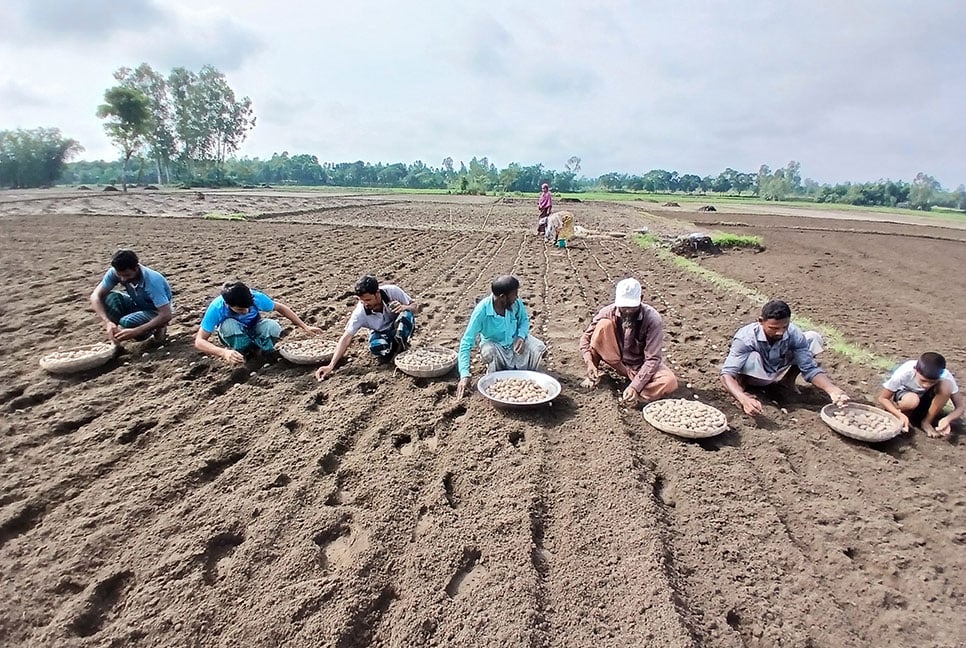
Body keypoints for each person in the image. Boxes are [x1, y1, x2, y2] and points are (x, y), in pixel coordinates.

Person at [721, 299, 849, 415]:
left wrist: (832, 389)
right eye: (774, 328)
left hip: (777, 366)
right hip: (756, 373)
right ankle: (741, 385)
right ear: (761, 321)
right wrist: (743, 399)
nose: (780, 332)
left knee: (813, 338)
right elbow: (727, 374)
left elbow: (809, 368)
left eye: (785, 326)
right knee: (751, 356)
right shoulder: (746, 337)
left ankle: (787, 381)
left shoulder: (794, 333)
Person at [580, 278, 678, 404]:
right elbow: (585, 338)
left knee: (669, 382)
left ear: (641, 299)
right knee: (603, 325)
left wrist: (635, 386)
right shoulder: (608, 312)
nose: (627, 311)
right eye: (623, 306)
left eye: (631, 307)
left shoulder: (652, 319)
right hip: (616, 360)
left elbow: (653, 359)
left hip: (640, 365)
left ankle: (638, 391)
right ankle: (593, 376)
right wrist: (590, 363)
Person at [456, 275, 546, 398]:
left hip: (515, 342)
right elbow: (466, 342)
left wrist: (520, 336)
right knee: (489, 351)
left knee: (539, 348)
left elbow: (524, 320)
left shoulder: (515, 304)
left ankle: (524, 376)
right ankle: (498, 376)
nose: (517, 297)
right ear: (502, 297)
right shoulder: (481, 312)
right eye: (514, 294)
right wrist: (464, 375)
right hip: (495, 345)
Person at [315, 275, 420, 380]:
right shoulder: (360, 313)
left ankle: (402, 348)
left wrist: (404, 307)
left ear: (377, 293)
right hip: (381, 333)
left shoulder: (392, 291)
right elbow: (346, 337)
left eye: (368, 299)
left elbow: (415, 307)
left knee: (406, 316)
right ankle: (392, 350)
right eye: (362, 300)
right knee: (377, 347)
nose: (365, 304)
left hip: (397, 327)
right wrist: (331, 365)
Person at [194, 281, 321, 364]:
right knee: (228, 325)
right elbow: (199, 341)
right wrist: (223, 352)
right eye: (240, 309)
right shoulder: (217, 308)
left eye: (248, 307)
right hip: (234, 333)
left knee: (272, 326)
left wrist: (305, 327)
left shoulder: (256, 297)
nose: (246, 311)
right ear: (228, 304)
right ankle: (244, 352)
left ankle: (264, 350)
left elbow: (280, 308)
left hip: (254, 327)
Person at [90, 248, 173, 343]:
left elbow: (166, 314)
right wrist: (107, 322)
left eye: (127, 275)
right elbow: (95, 296)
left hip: (156, 311)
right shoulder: (114, 272)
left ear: (136, 268)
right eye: (120, 275)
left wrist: (136, 331)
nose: (123, 279)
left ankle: (159, 327)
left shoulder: (152, 281)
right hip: (136, 304)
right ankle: (116, 338)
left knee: (127, 322)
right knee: (109, 298)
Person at [877, 352, 964, 438]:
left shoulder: (946, 376)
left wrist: (947, 419)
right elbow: (883, 398)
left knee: (946, 386)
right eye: (923, 380)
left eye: (932, 382)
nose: (926, 385)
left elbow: (960, 407)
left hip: (926, 400)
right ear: (915, 370)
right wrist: (900, 415)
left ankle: (927, 422)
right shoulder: (905, 373)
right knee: (912, 401)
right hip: (906, 396)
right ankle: (900, 412)